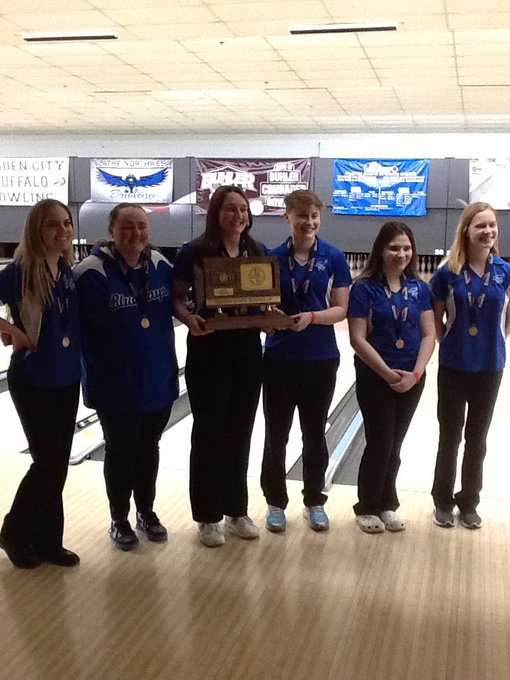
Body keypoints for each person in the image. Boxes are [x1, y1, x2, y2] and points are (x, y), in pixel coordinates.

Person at [74, 203, 178, 550]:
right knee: (120, 450)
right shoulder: (89, 272)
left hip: (158, 378)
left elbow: (184, 303)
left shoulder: (162, 265)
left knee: (149, 448)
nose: (136, 234)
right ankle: (118, 519)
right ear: (111, 232)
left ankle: (146, 512)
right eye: (128, 227)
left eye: (142, 227)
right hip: (114, 384)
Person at [173, 185, 264, 547]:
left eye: (242, 209)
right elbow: (177, 300)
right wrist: (188, 318)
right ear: (216, 213)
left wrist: (271, 314)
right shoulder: (192, 252)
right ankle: (208, 516)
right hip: (208, 349)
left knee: (240, 432)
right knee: (209, 433)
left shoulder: (255, 250)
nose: (238, 215)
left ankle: (236, 510)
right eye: (230, 209)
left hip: (246, 350)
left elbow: (265, 298)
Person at [261, 189, 351, 533]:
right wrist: (267, 317)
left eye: (314, 216)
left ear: (320, 218)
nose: (309, 222)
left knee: (314, 434)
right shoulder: (271, 258)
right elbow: (262, 308)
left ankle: (314, 500)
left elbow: (341, 308)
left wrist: (311, 317)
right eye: (301, 216)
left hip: (320, 358)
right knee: (276, 435)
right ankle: (275, 502)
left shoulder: (334, 257)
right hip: (280, 358)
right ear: (288, 217)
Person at [0, 199, 81, 568]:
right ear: (36, 229)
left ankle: (49, 540)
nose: (62, 231)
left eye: (66, 223)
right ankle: (14, 532)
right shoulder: (20, 270)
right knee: (47, 461)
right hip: (33, 377)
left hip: (65, 377)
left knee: (58, 463)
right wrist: (11, 330)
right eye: (53, 225)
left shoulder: (65, 269)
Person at [348, 221, 435, 534]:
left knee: (395, 444)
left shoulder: (420, 289)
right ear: (381, 250)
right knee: (380, 441)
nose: (402, 253)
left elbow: (429, 334)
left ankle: (387, 503)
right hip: (375, 376)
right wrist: (387, 373)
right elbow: (357, 338)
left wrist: (416, 373)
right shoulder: (363, 288)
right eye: (394, 247)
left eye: (407, 248)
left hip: (412, 377)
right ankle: (367, 505)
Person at [430, 202, 510, 529]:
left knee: (478, 437)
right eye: (481, 226)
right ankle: (442, 500)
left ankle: (470, 501)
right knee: (450, 436)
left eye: (492, 225)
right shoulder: (447, 272)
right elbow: (434, 317)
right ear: (466, 230)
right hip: (454, 364)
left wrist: (498, 340)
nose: (488, 231)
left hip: (490, 365)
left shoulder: (504, 271)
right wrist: (444, 342)